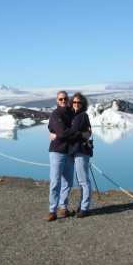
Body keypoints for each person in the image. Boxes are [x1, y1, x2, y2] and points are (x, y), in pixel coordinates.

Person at [46, 91, 89, 222]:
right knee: (55, 181)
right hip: (57, 151)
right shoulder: (56, 114)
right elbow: (63, 132)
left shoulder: (71, 112)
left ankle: (63, 207)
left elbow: (82, 126)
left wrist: (87, 132)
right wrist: (80, 135)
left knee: (68, 182)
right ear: (57, 100)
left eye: (65, 99)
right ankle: (52, 210)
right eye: (61, 99)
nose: (63, 101)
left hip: (69, 152)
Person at [69, 92, 93, 218]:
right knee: (81, 180)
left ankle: (85, 208)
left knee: (83, 180)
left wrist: (60, 134)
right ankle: (82, 206)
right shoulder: (75, 115)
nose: (76, 104)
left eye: (79, 102)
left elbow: (73, 132)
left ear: (83, 103)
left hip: (81, 151)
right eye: (74, 102)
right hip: (77, 150)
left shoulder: (81, 115)